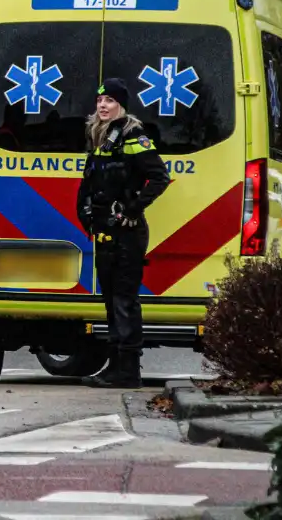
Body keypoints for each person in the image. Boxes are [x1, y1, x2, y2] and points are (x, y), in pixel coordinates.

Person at [76, 78, 171, 389]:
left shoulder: (133, 135)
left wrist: (132, 210)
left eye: (110, 101)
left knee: (124, 301)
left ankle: (128, 370)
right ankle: (115, 366)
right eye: (99, 100)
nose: (103, 105)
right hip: (105, 230)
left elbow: (159, 177)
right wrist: (86, 214)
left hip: (127, 233)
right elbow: (91, 181)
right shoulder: (100, 135)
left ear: (121, 105)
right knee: (110, 300)